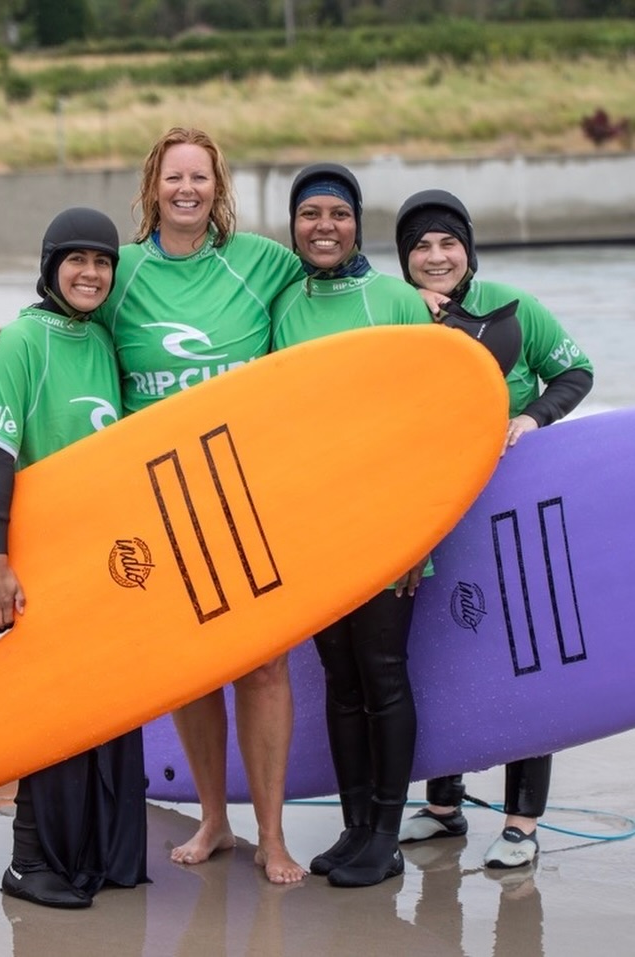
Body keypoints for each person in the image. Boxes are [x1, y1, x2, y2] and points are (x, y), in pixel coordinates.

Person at [0, 128, 307, 884]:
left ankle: (274, 835)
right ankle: (215, 818)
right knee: (189, 671)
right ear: (153, 186)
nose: (187, 189)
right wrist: (1, 335)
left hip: (250, 495)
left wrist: (429, 301)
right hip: (160, 507)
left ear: (219, 188)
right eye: (173, 177)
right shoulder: (119, 274)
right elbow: (63, 313)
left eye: (201, 177)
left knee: (263, 668)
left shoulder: (261, 262)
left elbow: (331, 286)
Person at [394, 188, 593, 869]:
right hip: (435, 510)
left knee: (521, 653)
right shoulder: (394, 315)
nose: (436, 255)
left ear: (468, 250)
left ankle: (521, 821)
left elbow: (576, 371)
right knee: (441, 646)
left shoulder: (513, 308)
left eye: (448, 242)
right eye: (420, 245)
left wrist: (532, 419)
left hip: (513, 509)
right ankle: (443, 805)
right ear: (405, 259)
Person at [0, 207, 148, 908]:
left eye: (102, 261)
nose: (90, 272)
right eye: (75, 260)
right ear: (50, 268)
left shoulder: (101, 341)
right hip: (40, 559)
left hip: (100, 561)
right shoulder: (20, 340)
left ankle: (100, 852)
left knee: (102, 707)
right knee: (51, 712)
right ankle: (29, 859)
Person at [271, 163, 435, 888]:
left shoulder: (398, 300)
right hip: (318, 529)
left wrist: (418, 531)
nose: (325, 226)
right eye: (311, 215)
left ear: (357, 223)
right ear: (294, 227)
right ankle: (354, 825)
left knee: (384, 674)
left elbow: (434, 422)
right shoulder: (284, 306)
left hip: (390, 526)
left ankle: (388, 833)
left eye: (338, 213)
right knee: (340, 677)